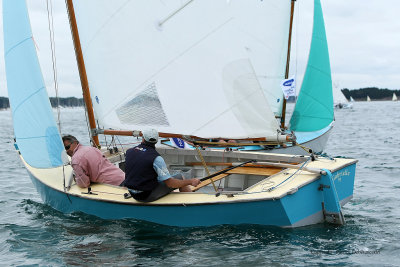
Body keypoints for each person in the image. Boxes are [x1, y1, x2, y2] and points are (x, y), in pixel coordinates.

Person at [123, 129, 201, 202]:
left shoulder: (129, 152)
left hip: (132, 193)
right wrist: (190, 181)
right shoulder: (156, 158)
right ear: (156, 141)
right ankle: (192, 203)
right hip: (145, 196)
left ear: (143, 138)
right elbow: (170, 184)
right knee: (180, 177)